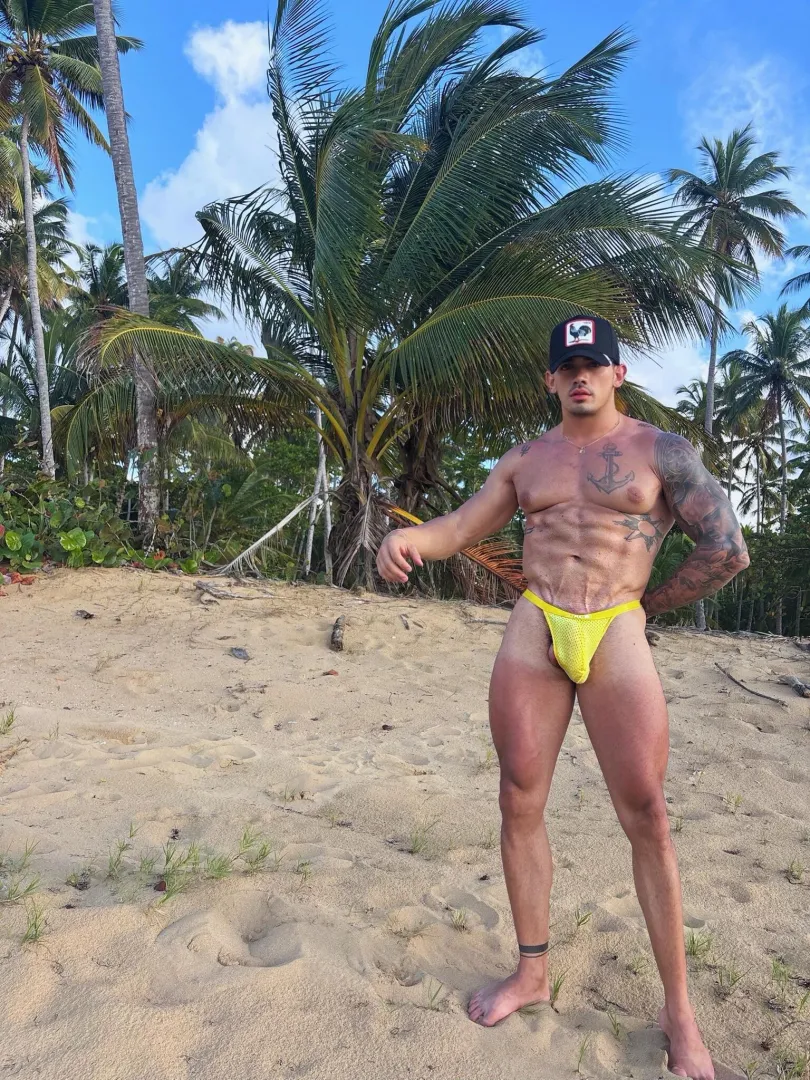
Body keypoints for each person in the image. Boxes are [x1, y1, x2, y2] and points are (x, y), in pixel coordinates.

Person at [376, 315, 749, 1080]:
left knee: (646, 813)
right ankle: (532, 972)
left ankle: (679, 1011)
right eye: (569, 366)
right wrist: (408, 539)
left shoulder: (663, 452)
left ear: (618, 374)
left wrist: (646, 608)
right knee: (519, 797)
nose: (582, 376)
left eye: (595, 364)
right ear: (551, 379)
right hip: (536, 621)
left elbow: (727, 548)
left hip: (616, 624)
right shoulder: (526, 459)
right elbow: (461, 526)